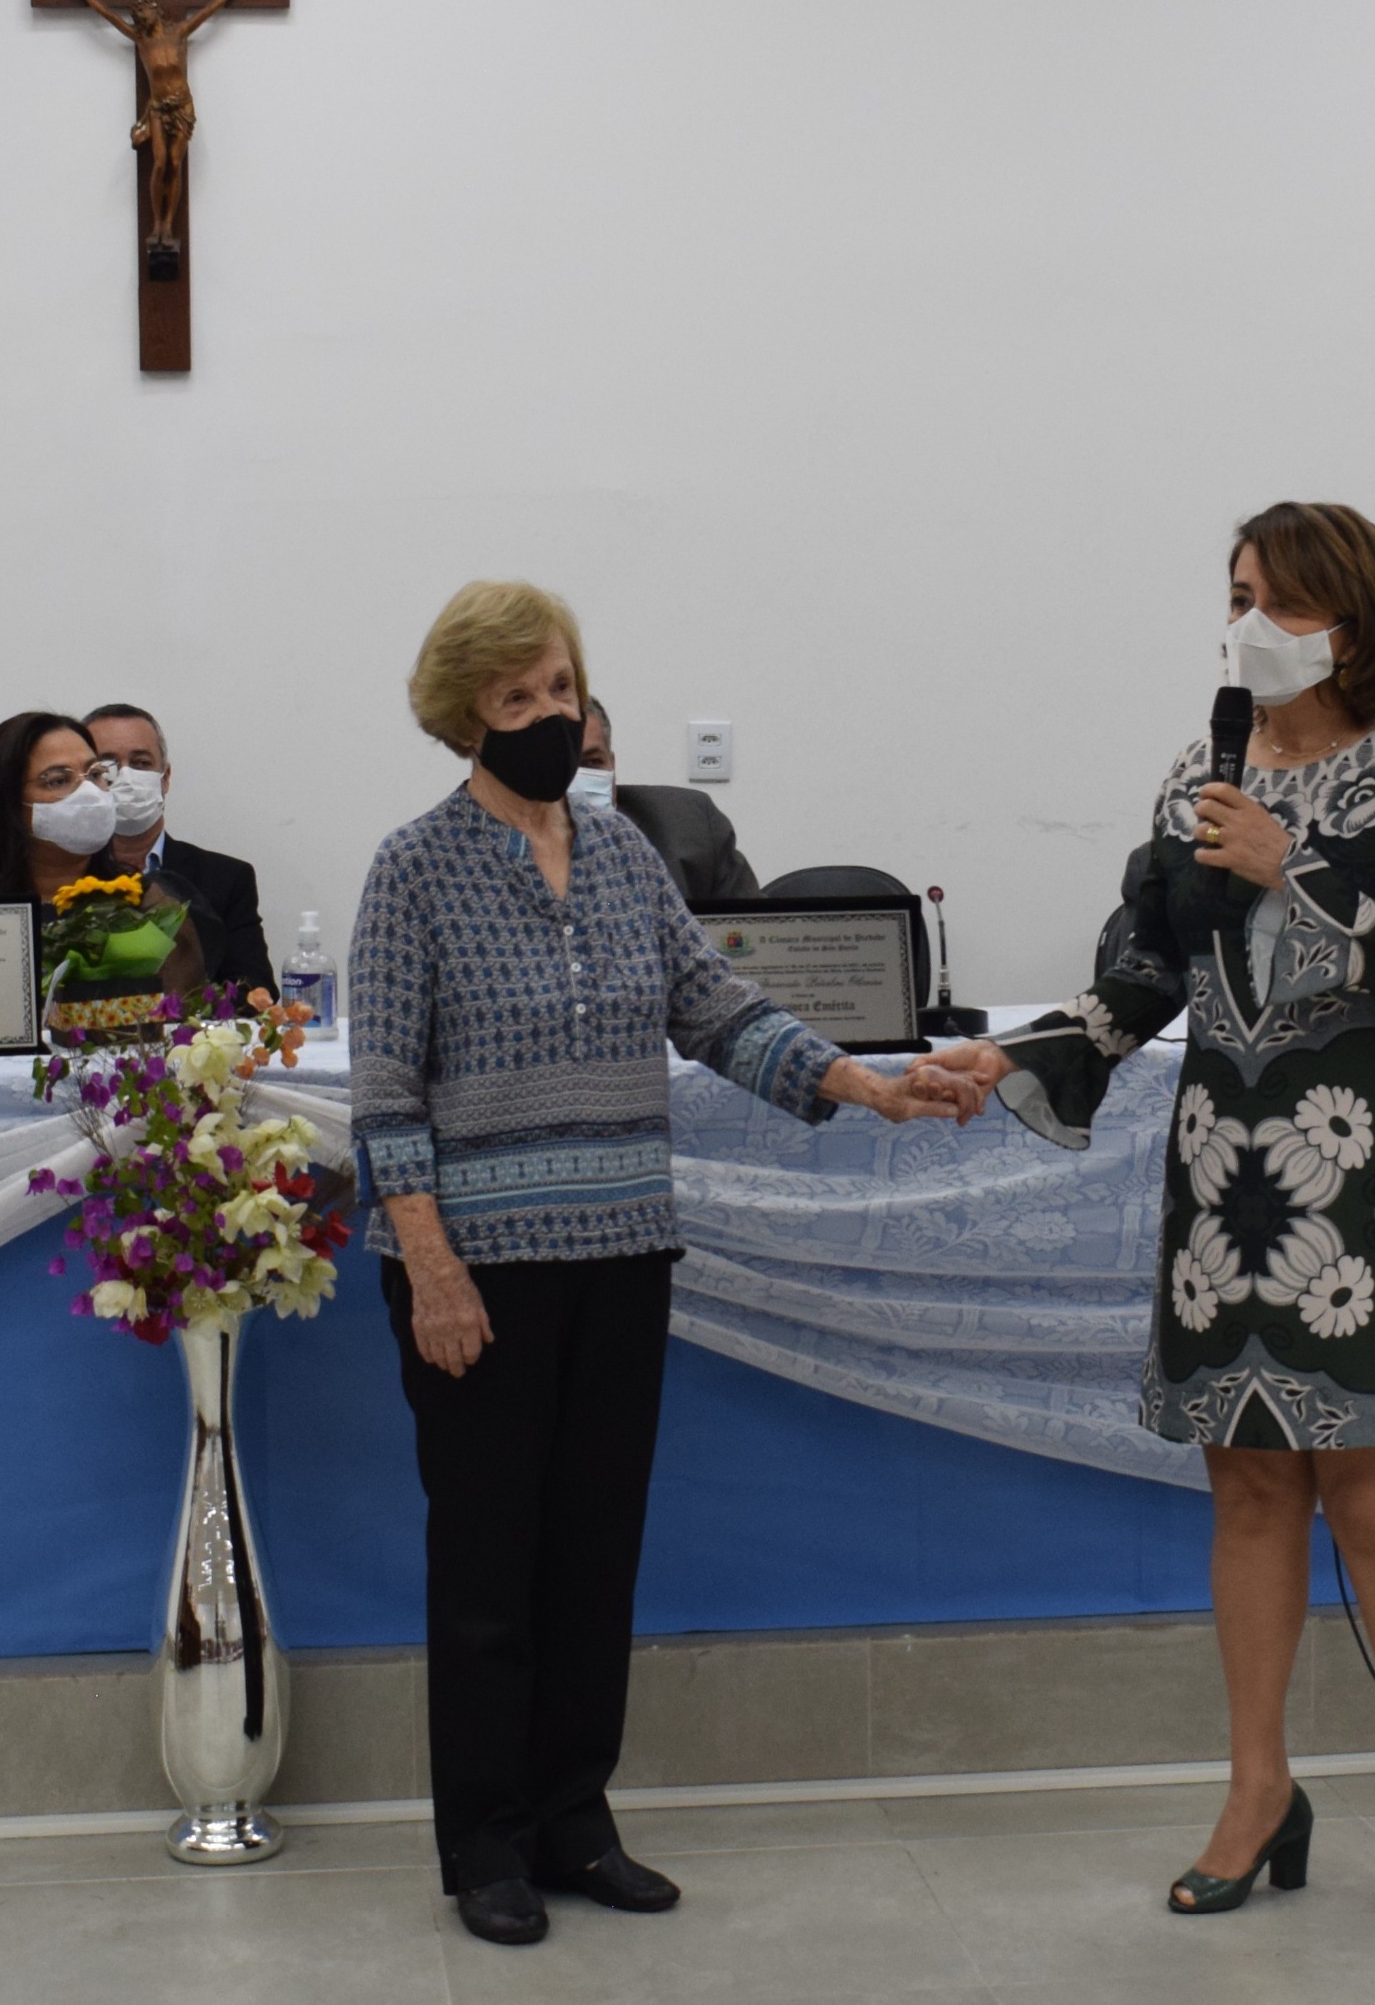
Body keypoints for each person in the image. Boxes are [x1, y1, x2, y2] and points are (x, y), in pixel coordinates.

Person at [350, 581, 982, 1948]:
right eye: (515, 697)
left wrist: (868, 1085)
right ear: (463, 717)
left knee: (594, 1555)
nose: (548, 715)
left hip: (624, 1250)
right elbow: (385, 1093)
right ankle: (487, 1840)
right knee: (488, 1567)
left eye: (560, 688)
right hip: (479, 1272)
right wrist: (432, 1266)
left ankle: (577, 1818)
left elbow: (718, 1009)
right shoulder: (412, 868)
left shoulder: (626, 854)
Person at [921, 503, 1375, 1935]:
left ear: (1350, 619)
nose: (1246, 626)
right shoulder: (1200, 771)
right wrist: (1015, 1051)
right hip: (1228, 1164)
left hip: (1363, 1161)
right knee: (1246, 1487)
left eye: (1274, 600)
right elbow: (1142, 974)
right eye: (1235, 595)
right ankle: (1256, 1787)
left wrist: (1291, 862)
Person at [0, 712, 212, 1000]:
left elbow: (179, 1016)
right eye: (58, 780)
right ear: (8, 802)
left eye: (95, 774)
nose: (89, 792)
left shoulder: (146, 904)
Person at [81, 702, 275, 995]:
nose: (127, 777)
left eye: (141, 763)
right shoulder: (61, 876)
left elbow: (255, 989)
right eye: (107, 766)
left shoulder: (227, 878)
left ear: (166, 778)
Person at [572, 696, 760, 906]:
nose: (577, 779)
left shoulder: (690, 825)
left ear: (612, 766)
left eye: (592, 762)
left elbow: (753, 923)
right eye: (560, 763)